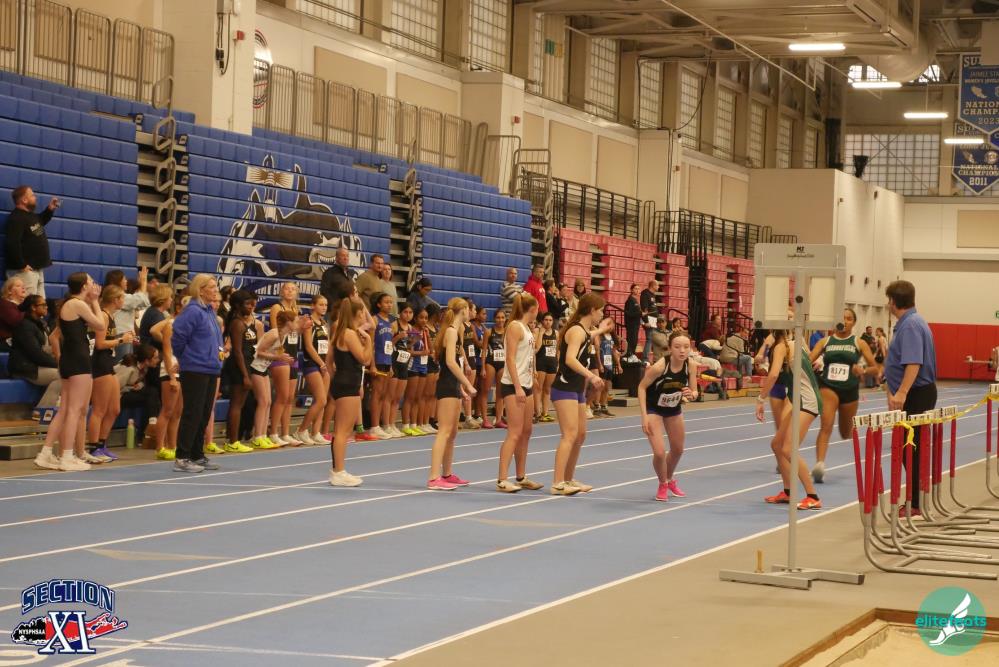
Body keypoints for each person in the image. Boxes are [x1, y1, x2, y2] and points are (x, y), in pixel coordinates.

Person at [34, 273, 104, 472]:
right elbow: (100, 325)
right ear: (84, 286)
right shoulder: (77, 304)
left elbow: (57, 336)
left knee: (65, 410)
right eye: (90, 281)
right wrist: (95, 301)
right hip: (78, 361)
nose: (93, 284)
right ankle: (66, 456)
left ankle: (45, 453)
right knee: (74, 410)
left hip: (69, 360)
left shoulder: (69, 304)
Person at [551, 293, 615, 495]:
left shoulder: (585, 331)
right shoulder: (576, 331)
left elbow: (590, 334)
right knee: (569, 435)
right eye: (601, 311)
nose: (602, 314)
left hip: (577, 388)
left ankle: (568, 479)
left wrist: (602, 329)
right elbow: (570, 359)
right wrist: (591, 376)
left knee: (580, 435)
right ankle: (557, 482)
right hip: (564, 387)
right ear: (592, 310)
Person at [883, 280, 937, 517]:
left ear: (893, 302)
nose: (888, 305)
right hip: (915, 393)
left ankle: (915, 503)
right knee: (911, 449)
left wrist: (902, 392)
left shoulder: (911, 325)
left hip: (916, 394)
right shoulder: (911, 322)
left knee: (911, 450)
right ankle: (917, 500)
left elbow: (914, 363)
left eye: (888, 301)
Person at [756, 329, 823, 511]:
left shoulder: (781, 347)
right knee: (777, 445)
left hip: (806, 401)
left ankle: (813, 496)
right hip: (799, 399)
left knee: (789, 449)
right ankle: (788, 492)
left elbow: (773, 375)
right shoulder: (795, 342)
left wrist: (761, 399)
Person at [808, 308, 878, 483]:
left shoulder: (859, 343)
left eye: (849, 318)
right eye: (842, 318)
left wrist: (862, 370)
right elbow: (808, 360)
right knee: (826, 425)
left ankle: (823, 459)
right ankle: (819, 465)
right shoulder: (825, 341)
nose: (845, 321)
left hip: (850, 390)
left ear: (854, 323)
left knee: (845, 432)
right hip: (828, 387)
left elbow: (875, 368)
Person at [170, 274, 225, 473]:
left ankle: (196, 454)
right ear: (200, 290)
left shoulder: (209, 311)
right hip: (195, 368)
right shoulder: (193, 311)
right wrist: (185, 358)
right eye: (211, 286)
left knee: (203, 414)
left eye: (216, 286)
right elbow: (178, 337)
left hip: (210, 368)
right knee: (192, 413)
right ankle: (182, 457)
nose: (215, 290)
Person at [639, 330, 698, 501]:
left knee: (678, 450)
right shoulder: (660, 367)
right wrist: (644, 416)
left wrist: (692, 394)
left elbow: (694, 391)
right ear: (670, 348)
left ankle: (669, 478)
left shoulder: (691, 365)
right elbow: (641, 387)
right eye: (677, 347)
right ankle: (662, 483)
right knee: (659, 452)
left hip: (673, 409)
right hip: (654, 409)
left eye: (686, 347)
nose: (682, 350)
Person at [427, 298, 478, 490]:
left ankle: (447, 474)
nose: (470, 313)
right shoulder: (450, 331)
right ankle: (434, 477)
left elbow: (457, 362)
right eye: (468, 309)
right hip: (447, 386)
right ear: (463, 310)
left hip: (454, 386)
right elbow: (450, 362)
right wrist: (468, 384)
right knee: (444, 431)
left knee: (452, 432)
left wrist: (462, 389)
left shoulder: (457, 332)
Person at [496, 294, 544, 492]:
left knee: (526, 431)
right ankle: (502, 479)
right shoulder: (515, 327)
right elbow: (510, 358)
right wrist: (517, 386)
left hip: (527, 384)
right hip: (513, 385)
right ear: (532, 309)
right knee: (514, 432)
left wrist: (532, 374)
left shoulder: (527, 328)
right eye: (538, 308)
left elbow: (528, 356)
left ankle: (521, 476)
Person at [86, 285, 135, 461]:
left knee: (114, 409)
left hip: (109, 363)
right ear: (115, 300)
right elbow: (100, 344)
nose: (124, 301)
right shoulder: (104, 316)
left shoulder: (111, 316)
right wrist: (121, 340)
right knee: (99, 409)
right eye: (122, 298)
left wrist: (122, 337)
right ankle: (93, 447)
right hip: (100, 364)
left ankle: (102, 444)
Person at [329, 299, 373, 487]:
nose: (364, 315)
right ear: (357, 314)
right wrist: (368, 341)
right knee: (342, 431)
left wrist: (335, 380)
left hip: (345, 382)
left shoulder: (340, 332)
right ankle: (338, 472)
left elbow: (329, 361)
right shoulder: (349, 334)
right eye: (362, 312)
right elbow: (364, 359)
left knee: (343, 430)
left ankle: (338, 470)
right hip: (348, 384)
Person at [221, 289, 261, 453]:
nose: (251, 306)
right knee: (236, 405)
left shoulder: (246, 322)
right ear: (237, 305)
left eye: (252, 303)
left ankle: (234, 440)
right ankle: (232, 441)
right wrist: (245, 375)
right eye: (247, 303)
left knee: (241, 404)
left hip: (247, 364)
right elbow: (237, 351)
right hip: (239, 367)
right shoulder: (237, 323)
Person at [4, 186, 58, 298]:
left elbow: (39, 222)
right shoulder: (16, 218)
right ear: (24, 200)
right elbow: (12, 243)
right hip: (24, 271)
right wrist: (22, 264)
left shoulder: (30, 216)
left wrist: (50, 209)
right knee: (26, 303)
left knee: (39, 304)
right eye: (32, 195)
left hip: (36, 269)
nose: (35, 197)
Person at [10, 295, 61, 413]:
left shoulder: (40, 323)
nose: (46, 307)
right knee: (63, 375)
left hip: (35, 365)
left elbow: (42, 349)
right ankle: (41, 411)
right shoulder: (24, 326)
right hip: (25, 368)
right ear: (33, 307)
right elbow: (35, 353)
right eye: (43, 305)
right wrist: (58, 363)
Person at [268, 283, 303, 446]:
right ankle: (273, 432)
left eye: (293, 289)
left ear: (297, 293)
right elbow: (275, 332)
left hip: (293, 355)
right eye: (287, 288)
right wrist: (280, 353)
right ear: (281, 291)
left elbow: (297, 333)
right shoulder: (277, 308)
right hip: (282, 354)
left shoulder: (296, 309)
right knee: (282, 396)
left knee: (290, 397)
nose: (290, 291)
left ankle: (286, 433)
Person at [297, 294, 332, 444]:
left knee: (323, 402)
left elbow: (328, 345)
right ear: (313, 306)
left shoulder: (324, 323)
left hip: (323, 365)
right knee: (321, 400)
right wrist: (321, 363)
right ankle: (301, 430)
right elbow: (308, 346)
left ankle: (316, 432)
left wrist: (328, 363)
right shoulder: (309, 322)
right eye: (321, 304)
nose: (324, 307)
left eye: (326, 305)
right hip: (312, 364)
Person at [150, 297, 183, 461]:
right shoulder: (171, 325)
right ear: (178, 308)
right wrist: (172, 377)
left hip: (183, 370)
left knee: (177, 412)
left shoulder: (187, 326)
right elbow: (168, 352)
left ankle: (173, 446)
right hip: (171, 370)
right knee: (167, 410)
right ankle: (159, 447)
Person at [103, 267, 149, 363]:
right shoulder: (119, 297)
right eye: (124, 279)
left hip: (124, 336)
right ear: (118, 281)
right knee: (123, 366)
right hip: (121, 336)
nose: (126, 281)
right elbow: (142, 300)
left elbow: (141, 302)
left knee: (126, 365)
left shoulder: (121, 297)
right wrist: (143, 281)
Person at [369, 292, 397, 440]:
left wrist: (391, 365)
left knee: (383, 394)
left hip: (386, 361)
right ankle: (374, 426)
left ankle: (379, 425)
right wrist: (372, 364)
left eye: (391, 302)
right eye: (386, 302)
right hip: (378, 360)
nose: (389, 304)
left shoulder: (390, 322)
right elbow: (371, 344)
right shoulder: (375, 319)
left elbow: (389, 345)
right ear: (379, 304)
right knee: (376, 394)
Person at [401, 308, 431, 435]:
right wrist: (420, 353)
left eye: (426, 318)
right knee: (410, 397)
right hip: (413, 366)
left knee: (418, 397)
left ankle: (414, 424)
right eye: (421, 317)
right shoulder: (411, 331)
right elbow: (407, 350)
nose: (424, 320)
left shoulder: (425, 331)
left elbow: (430, 350)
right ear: (416, 318)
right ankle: (405, 425)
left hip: (423, 366)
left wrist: (427, 336)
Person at [387, 303, 414, 438]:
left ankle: (392, 424)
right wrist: (397, 337)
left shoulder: (410, 328)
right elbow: (388, 344)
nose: (408, 315)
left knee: (398, 397)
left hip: (404, 362)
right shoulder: (394, 325)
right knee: (390, 396)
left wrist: (414, 340)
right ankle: (387, 425)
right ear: (400, 313)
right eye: (405, 312)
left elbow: (408, 347)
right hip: (394, 361)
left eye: (410, 312)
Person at [482, 309, 508, 429]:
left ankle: (498, 419)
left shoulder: (507, 332)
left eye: (502, 317)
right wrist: (483, 368)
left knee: (500, 393)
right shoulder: (488, 332)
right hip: (491, 363)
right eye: (498, 317)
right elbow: (484, 351)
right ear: (494, 319)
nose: (500, 320)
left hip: (502, 363)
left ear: (505, 319)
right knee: (486, 390)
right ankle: (485, 419)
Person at [534, 312, 558, 423]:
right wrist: (541, 333)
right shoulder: (537, 331)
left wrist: (557, 363)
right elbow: (536, 347)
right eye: (546, 320)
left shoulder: (556, 333)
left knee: (548, 389)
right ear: (542, 321)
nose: (548, 322)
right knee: (539, 388)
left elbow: (557, 350)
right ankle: (537, 412)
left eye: (550, 320)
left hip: (552, 363)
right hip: (541, 363)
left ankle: (545, 412)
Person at [319, 247, 357, 312]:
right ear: (336, 258)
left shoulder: (349, 274)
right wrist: (336, 308)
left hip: (347, 312)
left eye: (347, 256)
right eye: (343, 256)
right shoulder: (329, 273)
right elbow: (324, 293)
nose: (345, 258)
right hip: (334, 313)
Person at [0, 277, 27, 351]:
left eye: (23, 286)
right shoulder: (4, 304)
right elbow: (15, 321)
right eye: (18, 286)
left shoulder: (22, 307)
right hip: (5, 342)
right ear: (9, 291)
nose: (23, 288)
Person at [640, 280, 660, 362]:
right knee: (649, 339)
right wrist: (646, 321)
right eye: (657, 285)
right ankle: (645, 359)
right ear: (653, 286)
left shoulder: (653, 294)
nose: (658, 287)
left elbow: (653, 306)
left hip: (654, 319)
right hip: (649, 319)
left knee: (652, 339)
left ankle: (650, 358)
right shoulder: (645, 294)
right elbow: (644, 308)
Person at [623, 283, 642, 363]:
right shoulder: (630, 300)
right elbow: (629, 313)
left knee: (634, 341)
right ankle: (629, 355)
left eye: (638, 289)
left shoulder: (635, 300)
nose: (637, 290)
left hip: (636, 324)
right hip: (631, 324)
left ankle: (632, 355)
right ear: (631, 290)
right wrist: (640, 313)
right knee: (631, 340)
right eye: (635, 289)